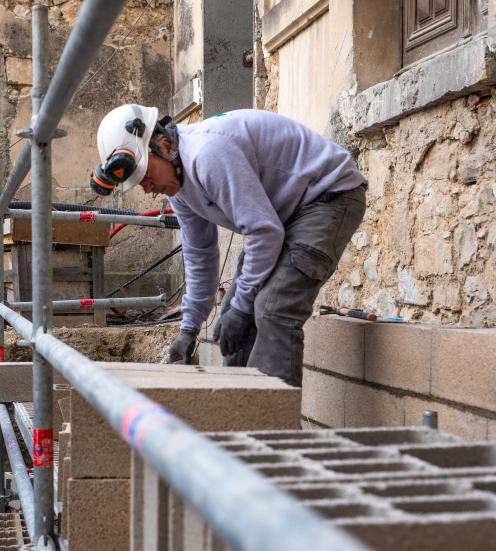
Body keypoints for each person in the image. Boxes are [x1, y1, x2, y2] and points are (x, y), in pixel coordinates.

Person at [91, 105, 367, 387]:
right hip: (284, 215)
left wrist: (243, 307)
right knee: (231, 318)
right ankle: (236, 417)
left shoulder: (208, 154)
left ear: (164, 145)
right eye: (139, 184)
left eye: (146, 176)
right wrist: (189, 329)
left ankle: (272, 427)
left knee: (272, 309)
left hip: (329, 196)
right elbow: (200, 255)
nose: (147, 189)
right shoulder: (178, 188)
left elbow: (264, 232)